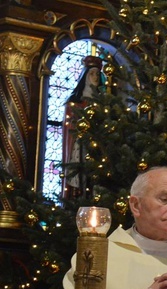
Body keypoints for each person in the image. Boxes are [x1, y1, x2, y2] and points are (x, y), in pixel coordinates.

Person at [62, 55, 105, 199]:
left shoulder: (103, 103)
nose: (95, 77)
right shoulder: (75, 102)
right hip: (79, 144)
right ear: (85, 76)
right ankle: (75, 196)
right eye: (92, 73)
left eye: (98, 74)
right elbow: (70, 125)